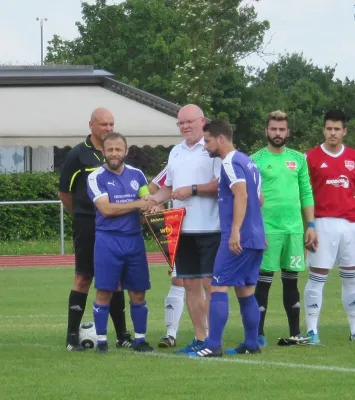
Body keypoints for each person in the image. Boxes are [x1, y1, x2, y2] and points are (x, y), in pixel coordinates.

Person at [147, 104, 221, 354]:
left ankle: (214, 340)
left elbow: (222, 185)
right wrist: (154, 201)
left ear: (203, 121)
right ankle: (200, 339)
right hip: (181, 228)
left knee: (211, 285)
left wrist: (193, 189)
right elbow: (168, 187)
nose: (185, 126)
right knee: (189, 285)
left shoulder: (213, 149)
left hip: (211, 227)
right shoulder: (176, 152)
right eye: (181, 123)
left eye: (190, 122)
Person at [189, 119, 266, 357]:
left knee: (218, 286)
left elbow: (241, 195)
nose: (205, 146)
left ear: (221, 138)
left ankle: (213, 345)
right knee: (245, 290)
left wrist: (235, 231)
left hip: (238, 237)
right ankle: (252, 343)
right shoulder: (250, 162)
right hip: (256, 237)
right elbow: (260, 199)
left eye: (208, 141)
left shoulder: (230, 161)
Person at [58, 108, 131, 351]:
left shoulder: (116, 152)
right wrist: (81, 215)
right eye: (103, 124)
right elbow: (64, 193)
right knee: (84, 276)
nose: (108, 129)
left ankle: (123, 335)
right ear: (91, 125)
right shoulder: (78, 155)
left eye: (111, 124)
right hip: (88, 225)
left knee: (116, 278)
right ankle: (71, 338)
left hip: (115, 226)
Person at [250, 111, 316, 347]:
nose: (277, 133)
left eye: (282, 129)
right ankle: (258, 334)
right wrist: (255, 229)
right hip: (267, 229)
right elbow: (250, 198)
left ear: (288, 132)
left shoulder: (299, 159)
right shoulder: (255, 159)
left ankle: (296, 332)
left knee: (291, 281)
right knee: (263, 282)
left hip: (294, 230)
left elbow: (306, 193)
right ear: (266, 131)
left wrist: (311, 225)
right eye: (273, 129)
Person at [87, 132, 155, 354]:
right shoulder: (95, 177)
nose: (114, 153)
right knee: (104, 291)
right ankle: (102, 341)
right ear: (103, 152)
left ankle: (140, 340)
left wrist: (152, 207)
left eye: (118, 149)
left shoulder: (137, 175)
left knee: (138, 292)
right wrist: (138, 204)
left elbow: (148, 200)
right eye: (110, 150)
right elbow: (106, 209)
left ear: (125, 151)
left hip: (134, 240)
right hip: (108, 240)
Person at [304, 108, 355, 344]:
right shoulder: (310, 158)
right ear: (323, 130)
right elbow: (304, 195)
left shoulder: (353, 157)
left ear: (344, 131)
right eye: (329, 128)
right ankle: (312, 330)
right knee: (318, 277)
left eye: (337, 129)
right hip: (322, 224)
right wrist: (309, 225)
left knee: (351, 279)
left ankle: (354, 329)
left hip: (350, 225)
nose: (332, 133)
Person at [148, 168, 185, 348]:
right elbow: (153, 187)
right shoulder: (178, 155)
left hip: (211, 228)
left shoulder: (214, 154)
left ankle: (207, 334)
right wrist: (161, 208)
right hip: (181, 228)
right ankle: (171, 333)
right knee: (178, 279)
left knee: (206, 281)